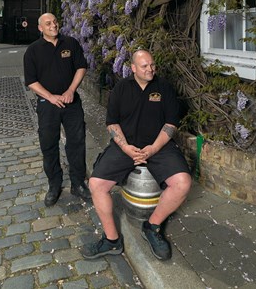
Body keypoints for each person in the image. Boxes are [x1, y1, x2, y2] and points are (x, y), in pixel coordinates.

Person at [82, 49, 191, 261]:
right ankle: (112, 240)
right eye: (144, 66)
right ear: (132, 68)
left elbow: (170, 124)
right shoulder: (121, 89)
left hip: (158, 146)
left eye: (152, 65)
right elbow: (112, 123)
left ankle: (152, 226)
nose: (150, 69)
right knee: (96, 184)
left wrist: (153, 149)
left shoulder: (164, 88)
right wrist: (125, 148)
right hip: (126, 146)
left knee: (183, 183)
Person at [23, 13, 91, 206]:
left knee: (77, 142)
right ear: (40, 28)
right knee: (49, 144)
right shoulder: (33, 51)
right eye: (48, 23)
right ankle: (54, 185)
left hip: (71, 103)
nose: (53, 25)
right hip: (47, 105)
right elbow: (31, 82)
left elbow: (81, 67)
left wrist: (71, 90)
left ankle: (78, 184)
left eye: (54, 21)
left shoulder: (70, 43)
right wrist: (51, 97)